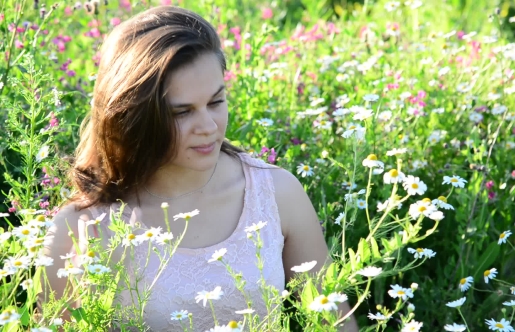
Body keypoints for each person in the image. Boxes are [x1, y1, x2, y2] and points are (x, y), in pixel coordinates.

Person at [42, 5, 357, 332]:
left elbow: (335, 321)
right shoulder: (81, 229)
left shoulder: (275, 193)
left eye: (216, 102)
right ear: (134, 114)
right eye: (182, 112)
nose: (207, 126)